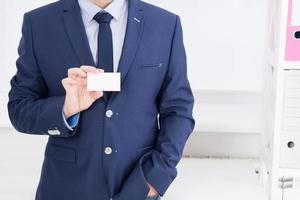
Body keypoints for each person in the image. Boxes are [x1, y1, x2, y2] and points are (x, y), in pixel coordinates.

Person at [7, 0, 195, 199]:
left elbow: (178, 110)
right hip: (65, 187)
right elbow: (19, 108)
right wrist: (65, 110)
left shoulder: (164, 24)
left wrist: (155, 178)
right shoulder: (39, 23)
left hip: (138, 185)